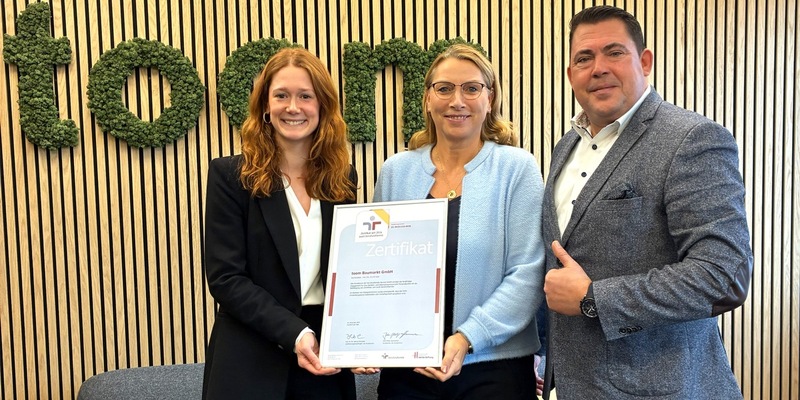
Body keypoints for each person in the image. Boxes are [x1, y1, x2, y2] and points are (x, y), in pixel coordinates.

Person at [541, 5, 752, 399]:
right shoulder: (565, 147)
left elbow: (723, 277)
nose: (598, 67)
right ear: (571, 75)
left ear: (645, 61)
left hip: (661, 388)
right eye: (584, 58)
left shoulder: (692, 138)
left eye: (614, 52)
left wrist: (593, 299)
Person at [356, 43, 545, 400]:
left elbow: (529, 272)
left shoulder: (517, 169)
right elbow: (376, 268)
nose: (456, 100)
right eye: (444, 88)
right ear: (428, 99)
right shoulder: (396, 171)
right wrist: (366, 337)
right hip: (408, 368)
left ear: (490, 99)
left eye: (471, 88)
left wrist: (468, 336)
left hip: (493, 368)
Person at [202, 47, 358, 400]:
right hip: (249, 362)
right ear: (265, 107)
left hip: (324, 362)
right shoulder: (231, 177)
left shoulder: (342, 179)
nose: (293, 107)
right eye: (281, 96)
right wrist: (295, 333)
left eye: (306, 96)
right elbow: (226, 278)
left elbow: (349, 271)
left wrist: (363, 336)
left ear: (322, 107)